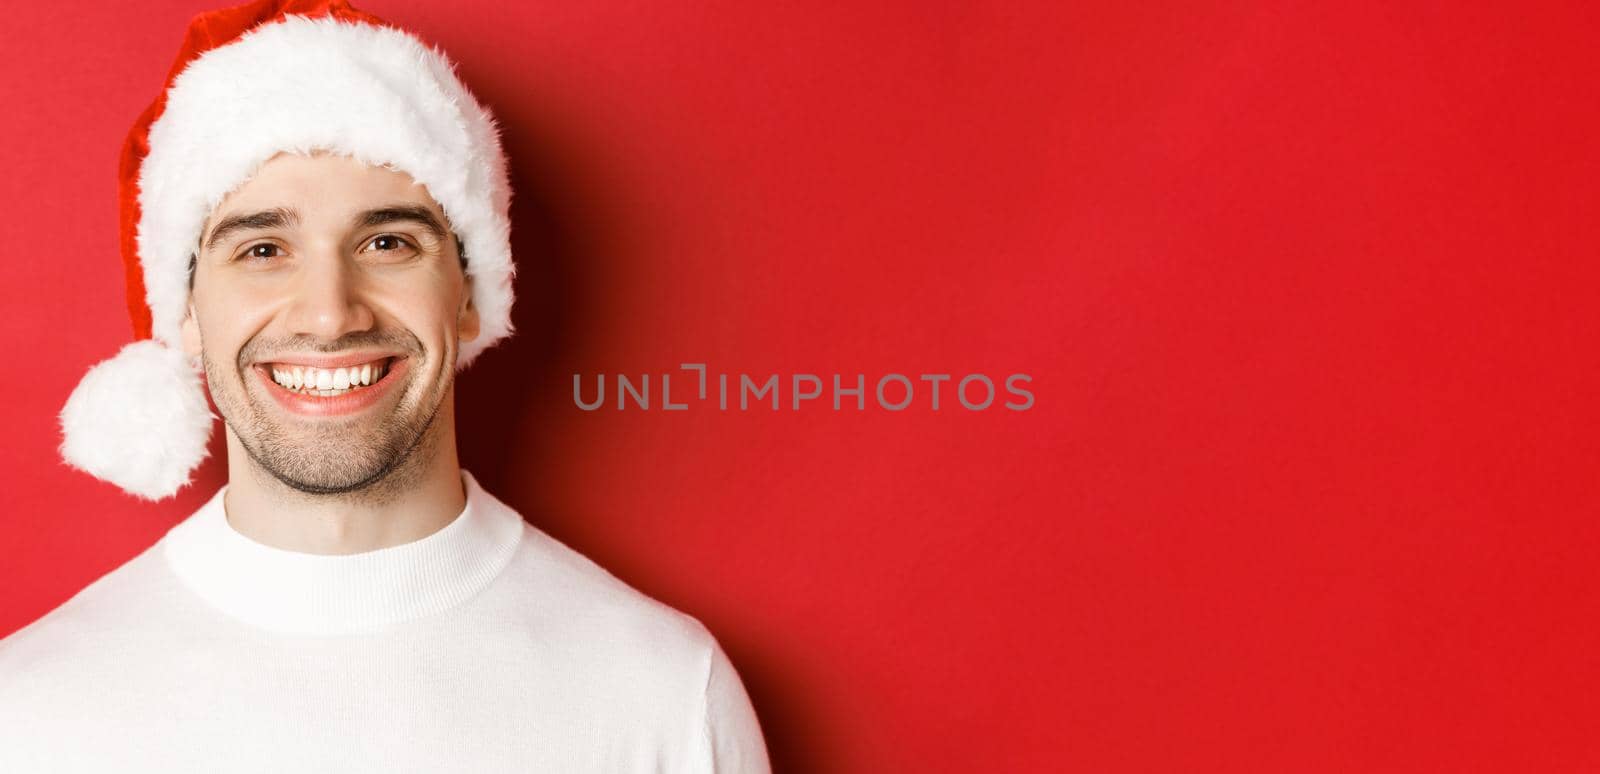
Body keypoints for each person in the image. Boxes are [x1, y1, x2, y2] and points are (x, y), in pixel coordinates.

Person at [0, 1, 773, 771]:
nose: (331, 314)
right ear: (187, 313)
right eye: (265, 249)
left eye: (388, 241)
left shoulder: (665, 694)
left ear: (471, 294)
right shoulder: (30, 713)